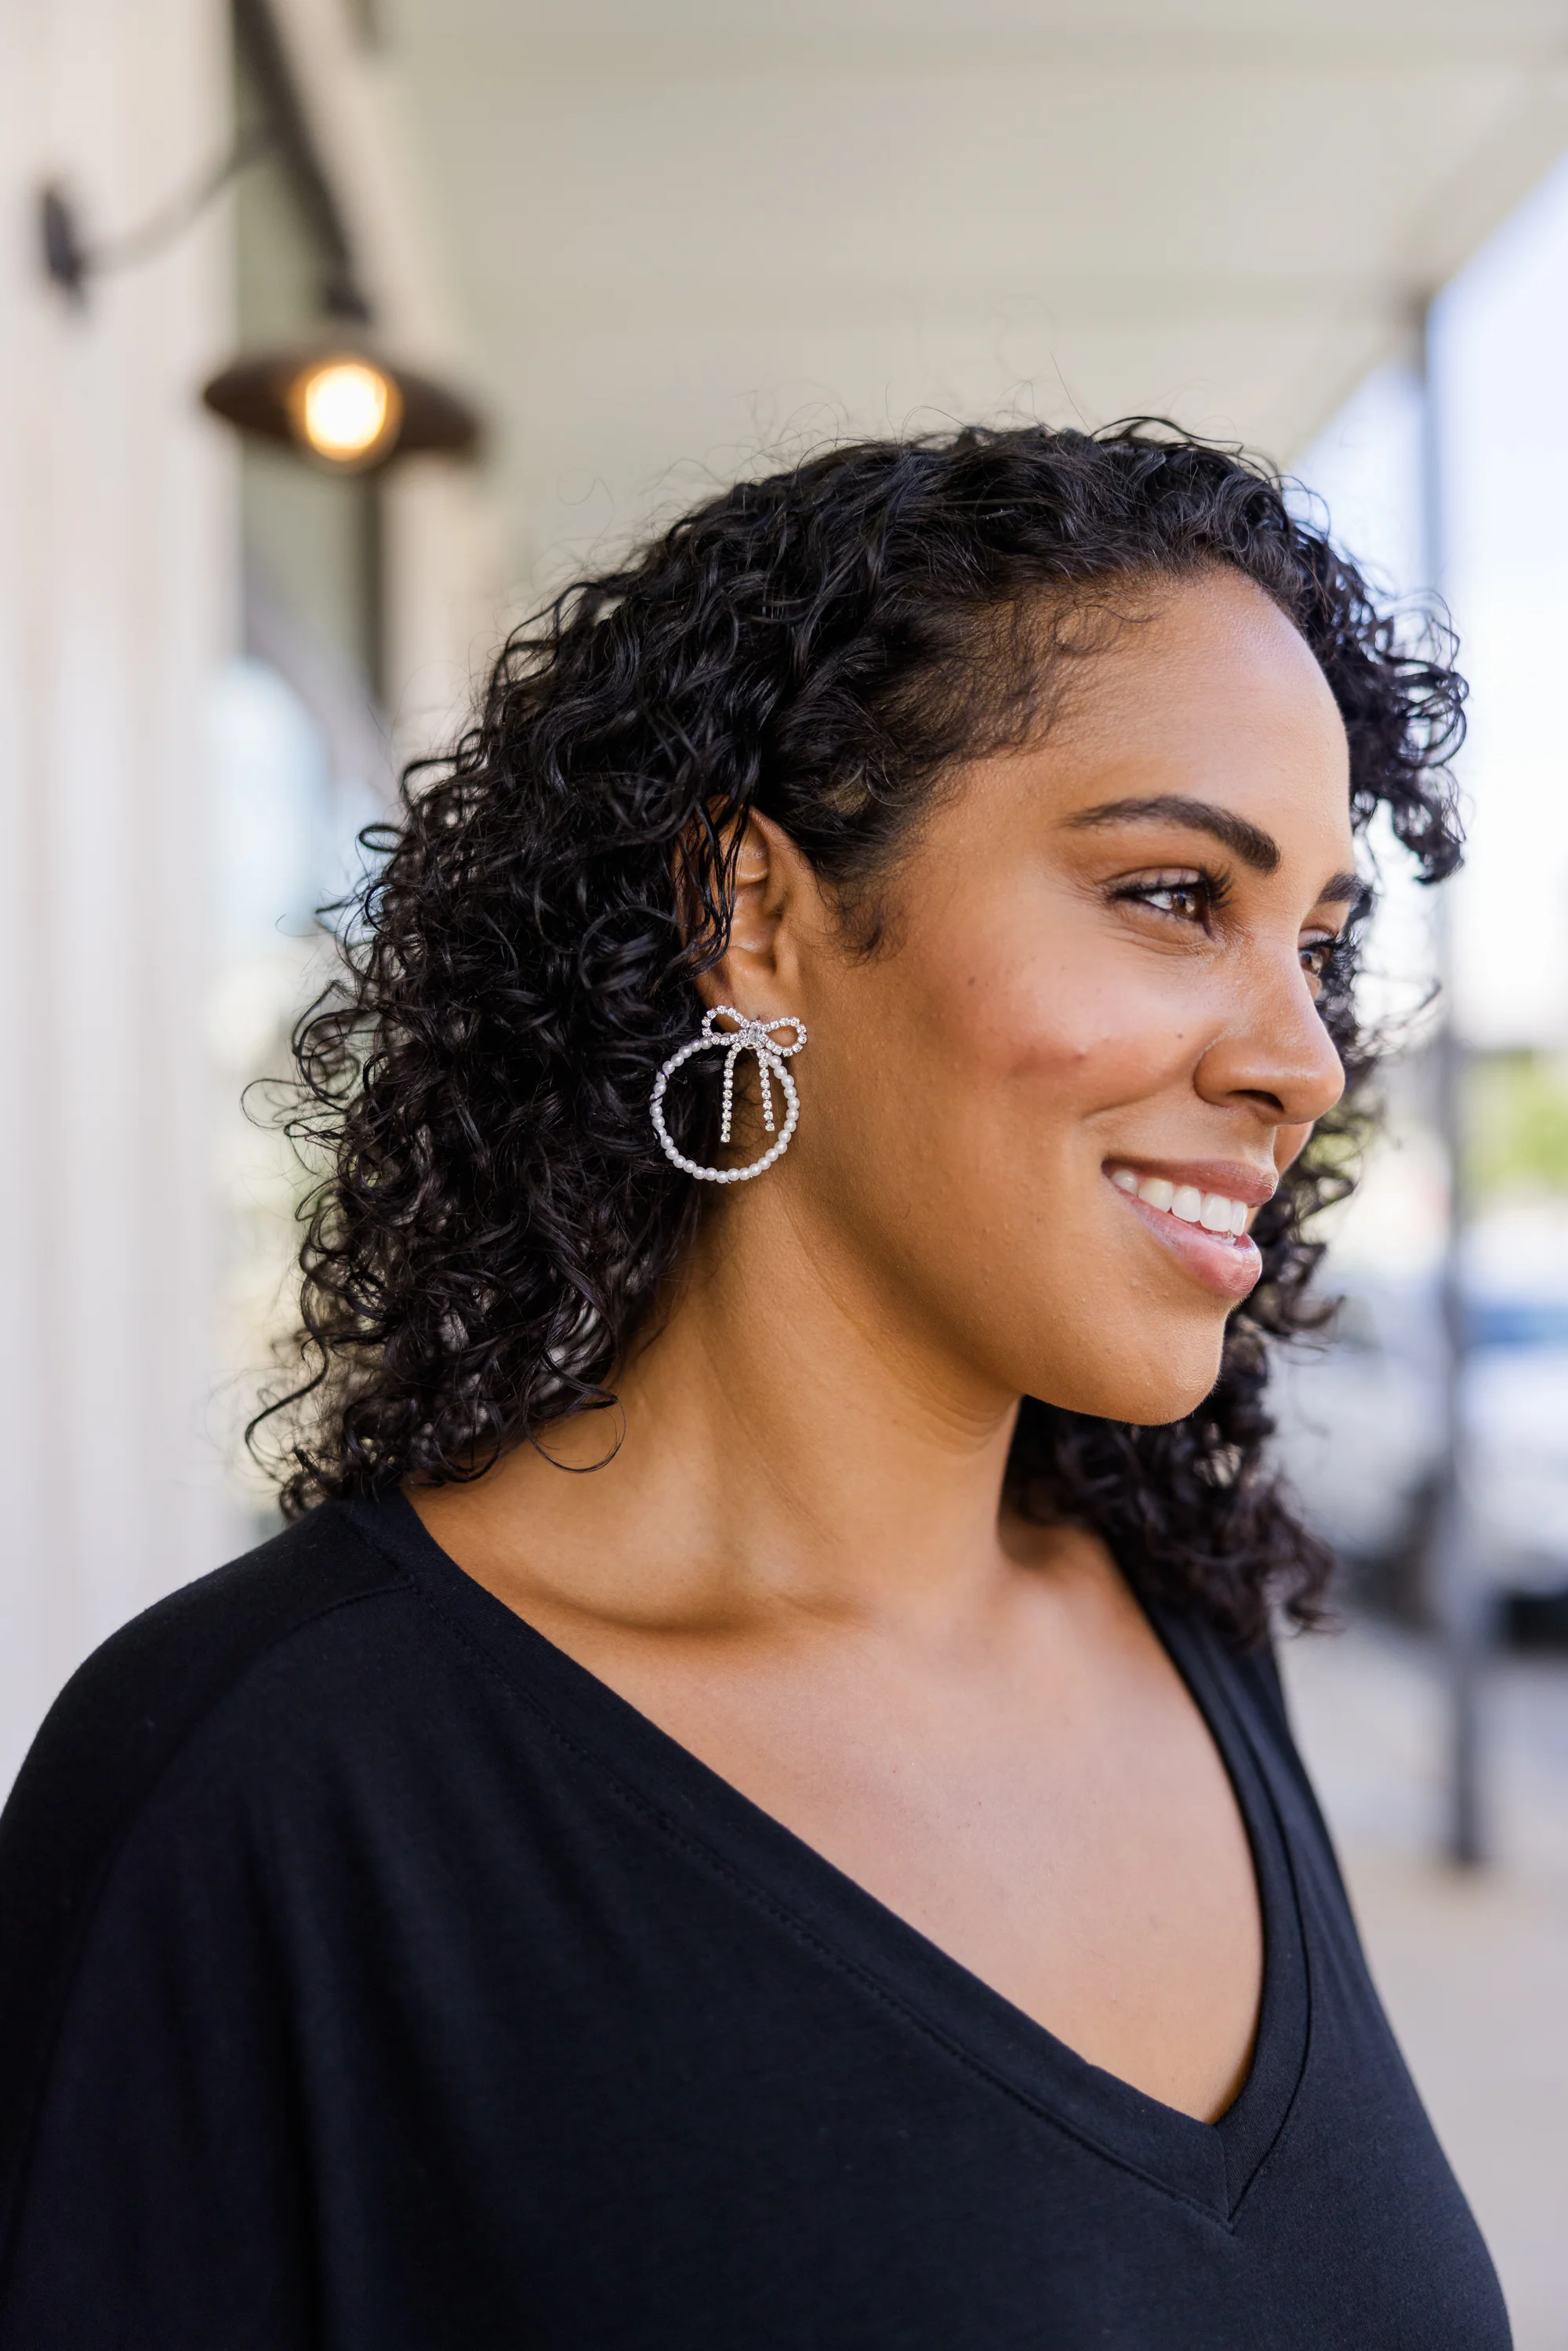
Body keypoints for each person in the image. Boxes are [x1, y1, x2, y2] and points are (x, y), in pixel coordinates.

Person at [0, 424, 1508, 2348]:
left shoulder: (1189, 1638)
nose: (1301, 1056)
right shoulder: (271, 1780)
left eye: (1318, 940)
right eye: (1168, 892)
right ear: (756, 919)